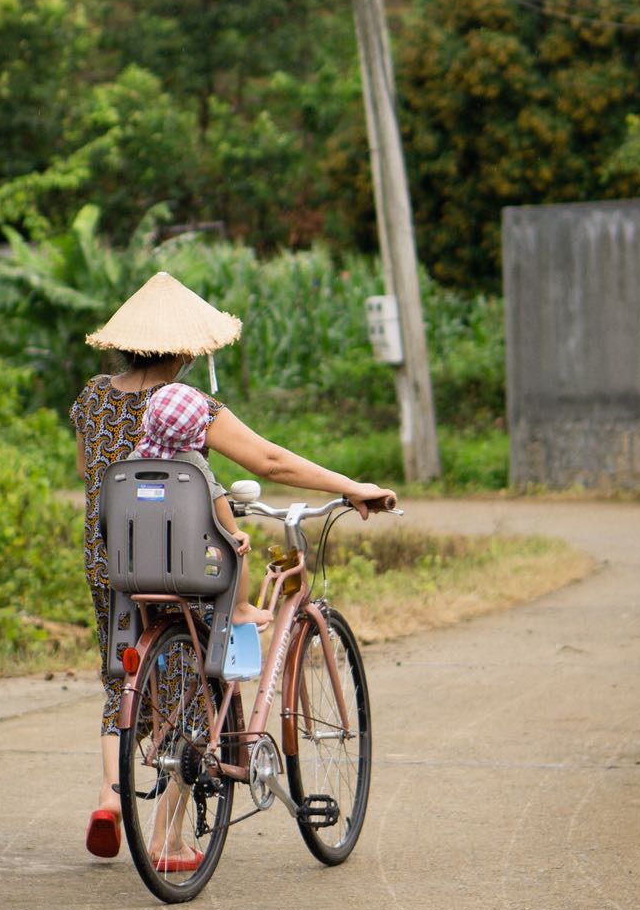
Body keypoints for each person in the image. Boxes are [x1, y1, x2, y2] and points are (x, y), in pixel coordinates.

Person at [70, 270, 397, 862]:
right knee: (201, 686)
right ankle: (169, 840)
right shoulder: (188, 403)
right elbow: (269, 459)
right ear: (188, 349)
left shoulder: (93, 397)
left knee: (124, 675)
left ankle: (110, 797)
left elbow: (89, 473)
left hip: (111, 559)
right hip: (184, 561)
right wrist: (351, 487)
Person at [128, 379, 272, 629]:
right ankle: (240, 608)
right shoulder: (191, 460)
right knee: (236, 548)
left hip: (140, 560)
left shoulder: (133, 461)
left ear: (148, 420)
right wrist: (235, 532)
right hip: (188, 559)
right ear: (196, 430)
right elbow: (217, 500)